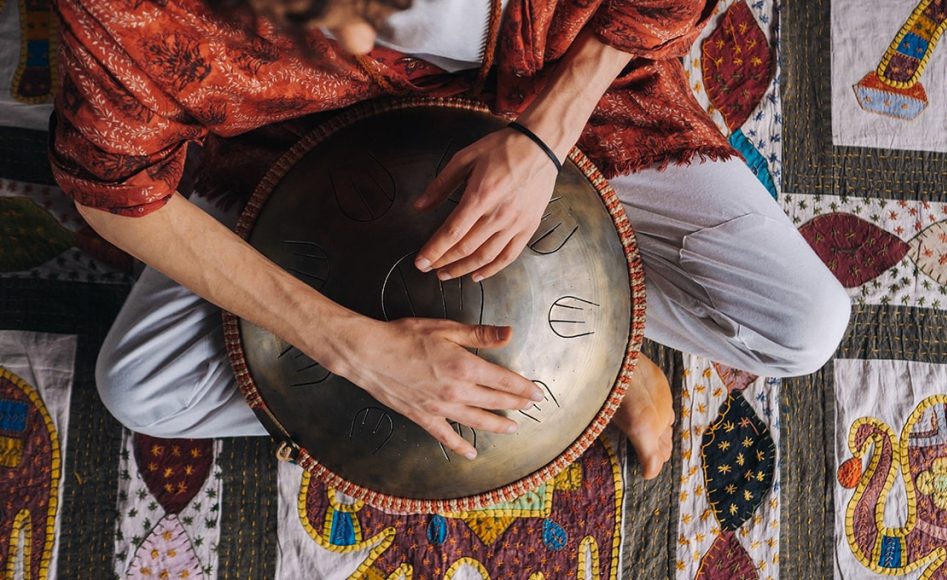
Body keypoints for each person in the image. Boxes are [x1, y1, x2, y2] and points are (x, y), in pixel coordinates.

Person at [50, 0, 851, 481]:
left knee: (802, 325)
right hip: (308, 148)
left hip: (555, 89)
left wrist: (544, 136)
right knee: (141, 386)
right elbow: (114, 187)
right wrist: (351, 347)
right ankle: (593, 360)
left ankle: (598, 349)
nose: (361, 42)